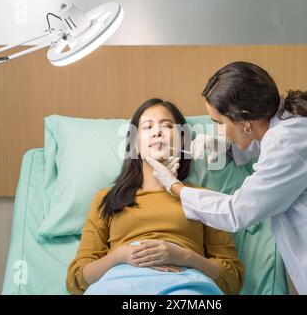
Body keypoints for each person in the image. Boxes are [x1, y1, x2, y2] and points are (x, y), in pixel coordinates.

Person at [146, 61, 307, 295]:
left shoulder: (288, 139)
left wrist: (175, 186)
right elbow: (271, 150)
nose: (217, 130)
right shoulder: (289, 125)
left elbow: (238, 212)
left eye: (219, 123)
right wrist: (227, 145)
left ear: (245, 120)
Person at [66, 98, 244, 295]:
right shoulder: (106, 199)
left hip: (185, 286)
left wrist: (185, 256)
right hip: (118, 284)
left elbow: (232, 278)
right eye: (147, 127)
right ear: (135, 145)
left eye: (167, 126)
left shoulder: (202, 198)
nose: (157, 132)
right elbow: (77, 279)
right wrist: (119, 257)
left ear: (183, 140)